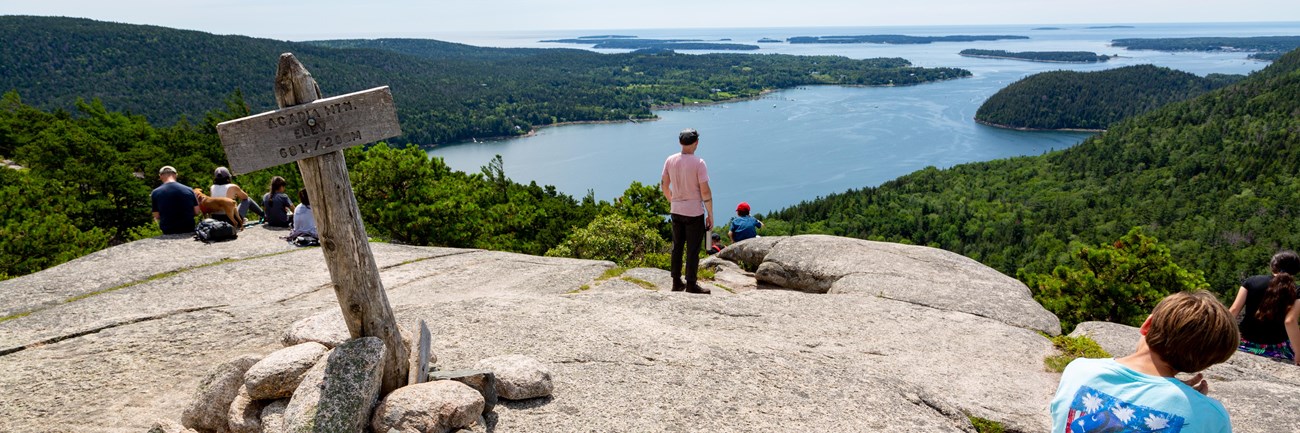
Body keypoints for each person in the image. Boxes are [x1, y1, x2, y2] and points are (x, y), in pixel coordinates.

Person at [1050, 291, 1237, 433]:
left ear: (1147, 325)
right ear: (1204, 364)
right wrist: (1192, 402)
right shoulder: (1212, 417)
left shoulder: (1079, 370)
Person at [661, 128, 713, 294]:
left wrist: (673, 200)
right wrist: (710, 213)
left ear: (680, 143)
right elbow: (705, 191)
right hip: (694, 212)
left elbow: (664, 185)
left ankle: (676, 281)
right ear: (696, 143)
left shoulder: (670, 160)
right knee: (692, 249)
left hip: (676, 210)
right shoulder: (699, 163)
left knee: (677, 246)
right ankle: (691, 283)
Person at [1228, 250, 1300, 363]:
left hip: (1245, 343)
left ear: (1273, 266)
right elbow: (1290, 321)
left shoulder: (1251, 282)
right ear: (1296, 270)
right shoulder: (1297, 290)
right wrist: (1298, 353)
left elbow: (1234, 310)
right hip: (1276, 348)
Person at [150, 165, 199, 235]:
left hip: (168, 230)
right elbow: (196, 212)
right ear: (176, 175)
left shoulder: (155, 192)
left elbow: (156, 216)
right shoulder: (189, 189)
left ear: (160, 176)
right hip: (188, 228)